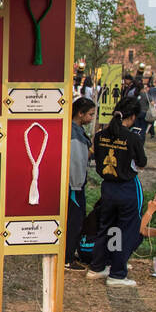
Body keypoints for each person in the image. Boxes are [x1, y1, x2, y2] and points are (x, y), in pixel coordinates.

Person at [86, 97, 148, 287]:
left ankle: (97, 267)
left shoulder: (101, 135)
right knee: (126, 230)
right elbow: (142, 162)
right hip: (127, 188)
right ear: (133, 117)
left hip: (108, 187)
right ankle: (118, 274)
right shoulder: (132, 138)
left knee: (107, 227)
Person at [65, 97, 96, 270]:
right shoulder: (75, 134)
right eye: (90, 114)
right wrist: (76, 185)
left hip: (74, 184)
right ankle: (67, 258)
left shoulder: (75, 130)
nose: (92, 118)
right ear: (80, 113)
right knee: (74, 221)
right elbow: (76, 161)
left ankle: (68, 253)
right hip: (74, 186)